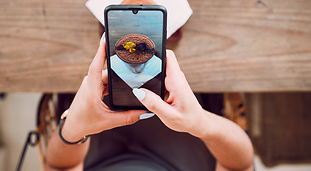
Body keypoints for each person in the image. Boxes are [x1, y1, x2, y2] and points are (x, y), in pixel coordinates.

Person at [46, 36, 254, 171]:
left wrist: (73, 129)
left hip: (91, 135)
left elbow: (60, 166)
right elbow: (240, 165)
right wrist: (202, 123)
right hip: (186, 127)